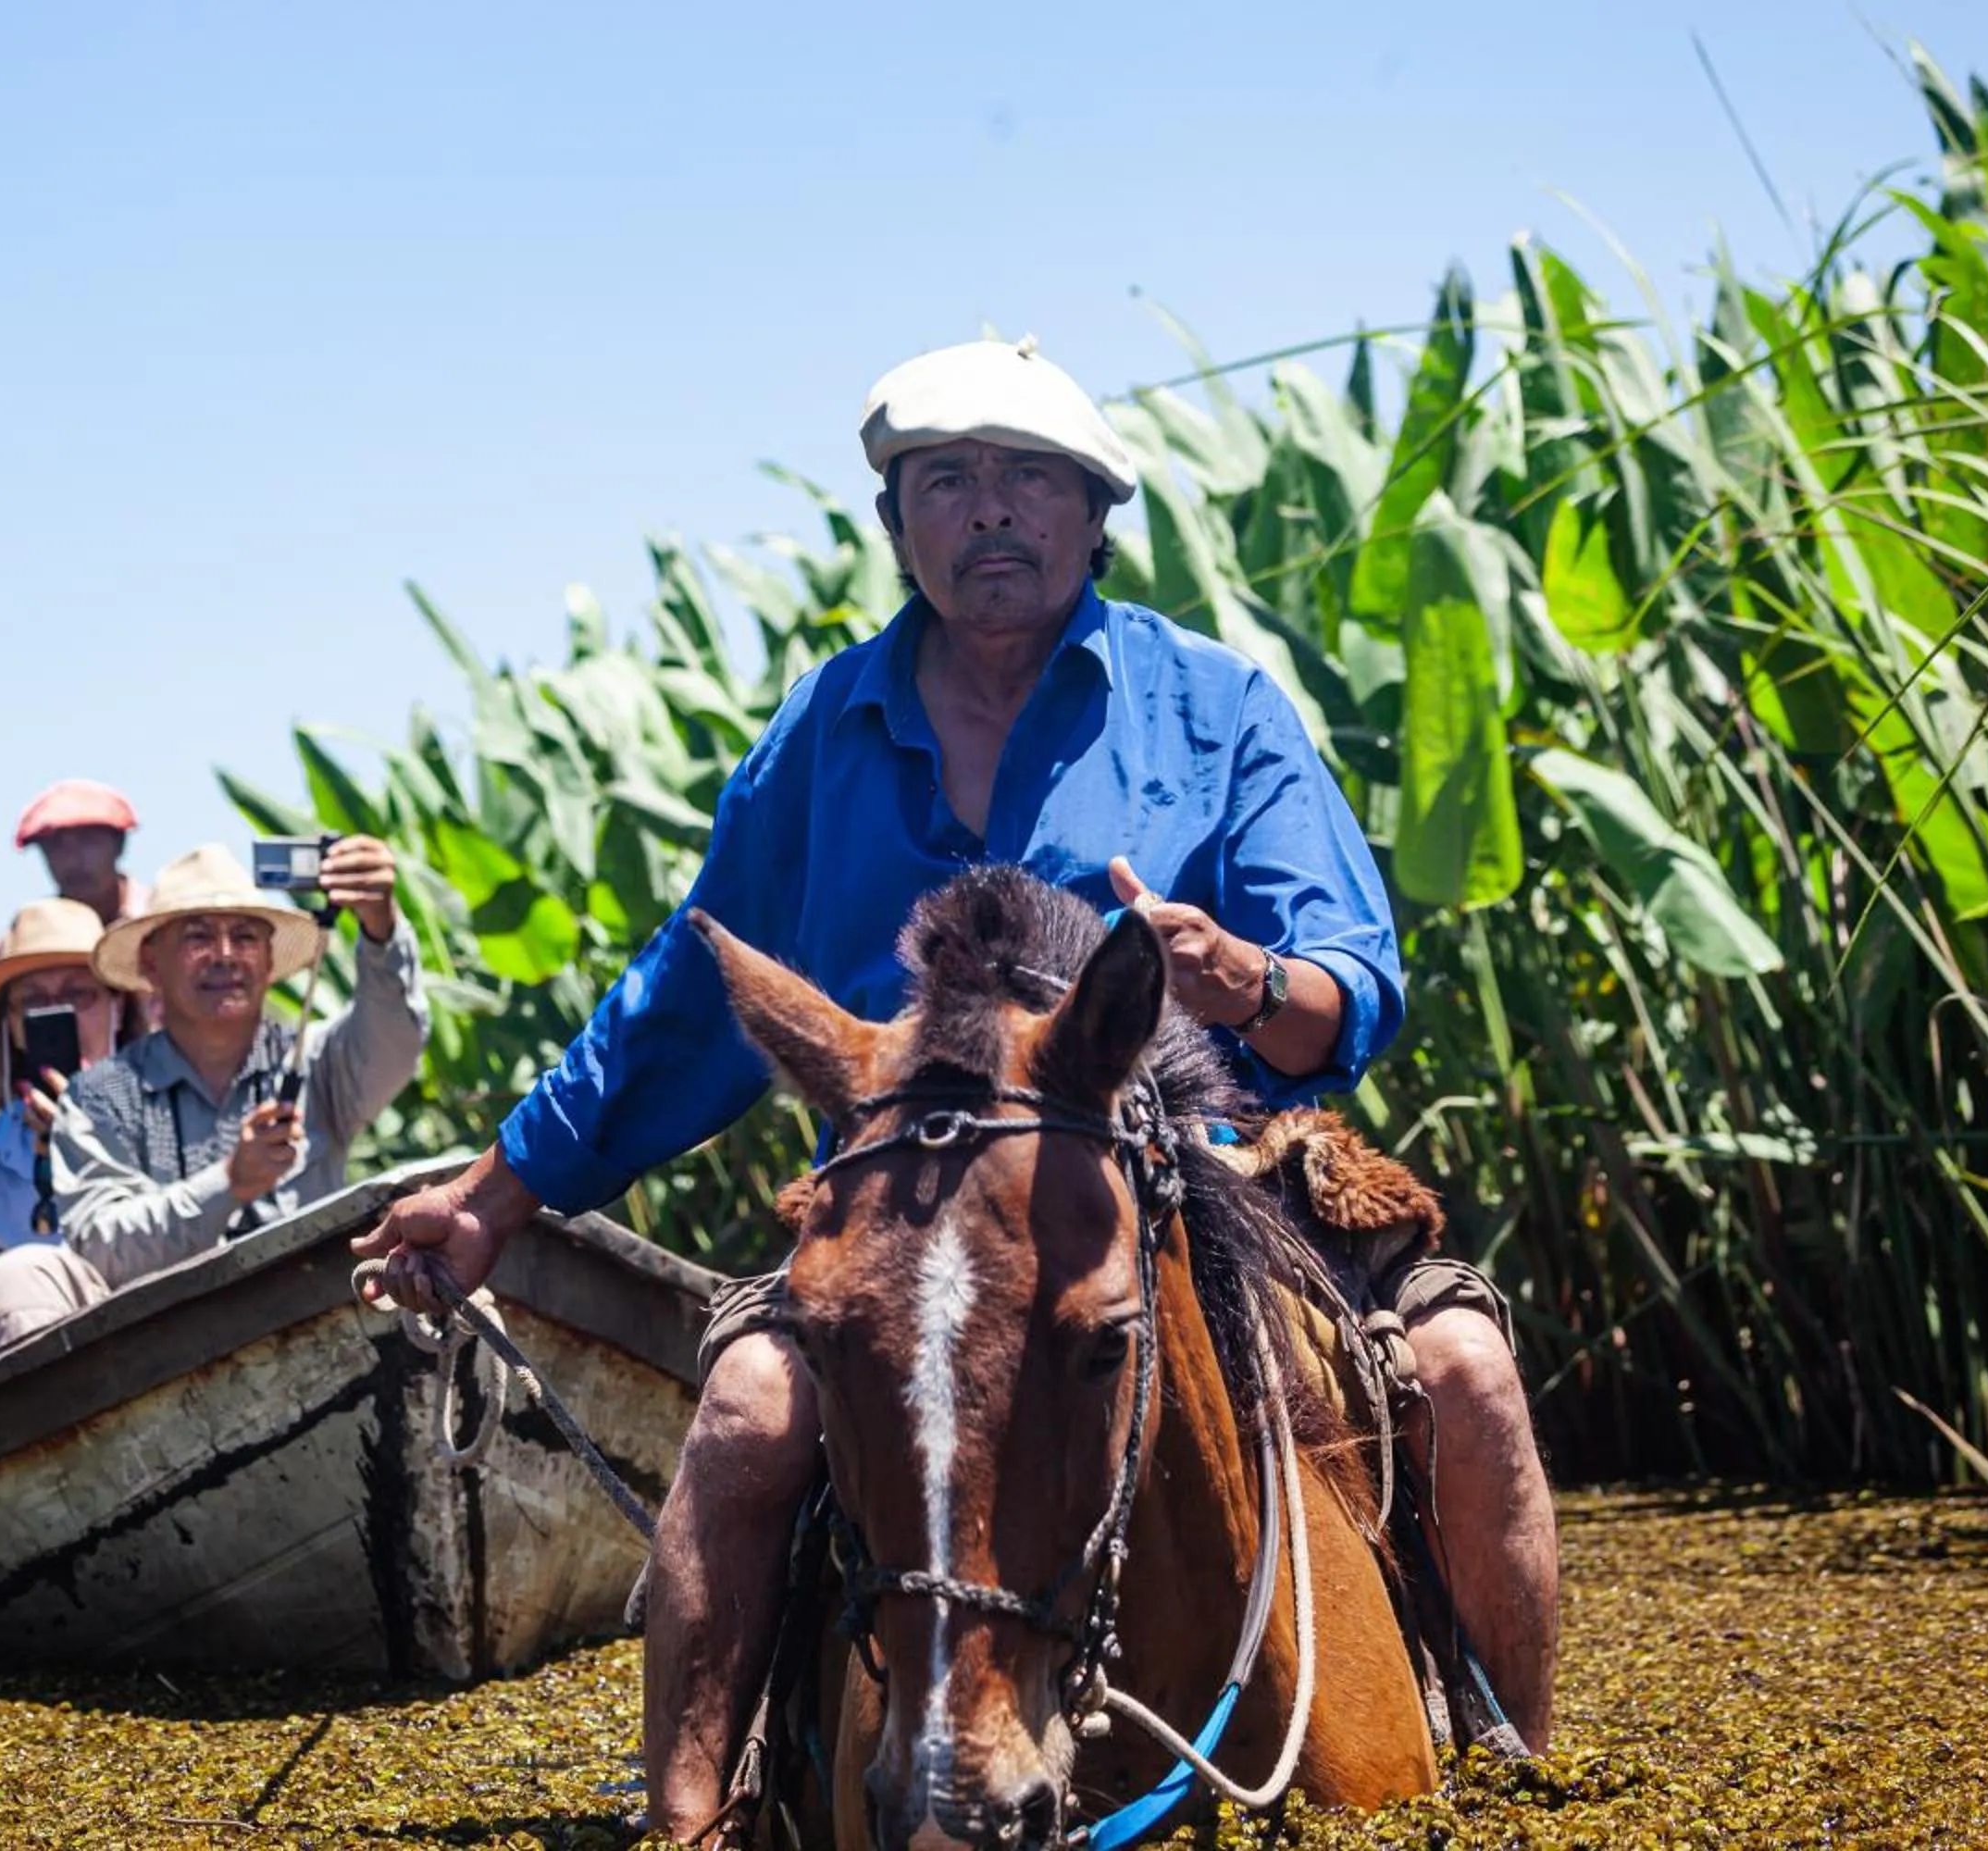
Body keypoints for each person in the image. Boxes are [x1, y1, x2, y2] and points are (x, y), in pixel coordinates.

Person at [354, 336, 1561, 1836]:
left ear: (1096, 516)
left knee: (1462, 1372)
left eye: (1028, 481)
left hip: (1190, 1180)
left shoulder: (1217, 707)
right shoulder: (820, 734)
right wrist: (490, 1199)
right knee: (742, 1415)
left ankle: (1523, 1764)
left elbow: (1346, 990)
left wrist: (1238, 977)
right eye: (950, 484)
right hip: (897, 1217)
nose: (992, 512)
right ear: (897, 527)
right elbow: (681, 1001)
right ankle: (689, 1818)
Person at [0, 839, 430, 1342]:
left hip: (312, 1323)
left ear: (270, 961)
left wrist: (379, 925)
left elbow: (396, 1040)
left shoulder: (317, 1061)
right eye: (198, 937)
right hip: (152, 1350)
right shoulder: (99, 1096)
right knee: (21, 1275)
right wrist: (229, 1182)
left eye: (246, 936)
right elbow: (102, 1247)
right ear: (150, 964)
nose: (225, 955)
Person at [0, 898, 138, 1378]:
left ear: (117, 1006)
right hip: (46, 1389)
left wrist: (88, 1132)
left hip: (161, 1353)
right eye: (33, 1001)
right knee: (17, 1279)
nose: (56, 1011)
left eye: (78, 994)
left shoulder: (178, 1118)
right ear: (11, 1025)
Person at [0, 778, 150, 1101]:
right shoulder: (25, 942)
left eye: (88, 841)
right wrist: (14, 1091)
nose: (74, 858)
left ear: (117, 844)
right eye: (58, 845)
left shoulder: (163, 922)